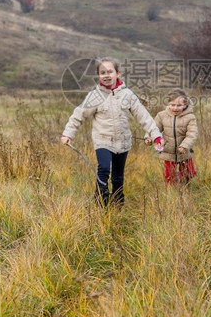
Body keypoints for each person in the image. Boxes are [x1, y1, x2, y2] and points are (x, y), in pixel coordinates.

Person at [61, 57, 164, 206]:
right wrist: (68, 134)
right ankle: (101, 202)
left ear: (118, 74)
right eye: (102, 72)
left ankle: (117, 203)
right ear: (98, 76)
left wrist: (156, 136)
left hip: (123, 142)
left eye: (110, 71)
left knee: (117, 176)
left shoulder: (127, 95)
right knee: (103, 169)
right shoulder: (95, 96)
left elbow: (143, 116)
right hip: (103, 141)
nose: (107, 75)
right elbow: (79, 115)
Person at [145, 88, 198, 185]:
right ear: (168, 104)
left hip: (184, 152)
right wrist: (149, 138)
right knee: (169, 177)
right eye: (172, 105)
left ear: (185, 105)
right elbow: (154, 128)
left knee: (189, 174)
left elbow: (192, 134)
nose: (175, 108)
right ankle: (172, 192)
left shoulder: (190, 117)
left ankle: (184, 184)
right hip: (168, 151)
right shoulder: (162, 115)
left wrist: (185, 145)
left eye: (179, 105)